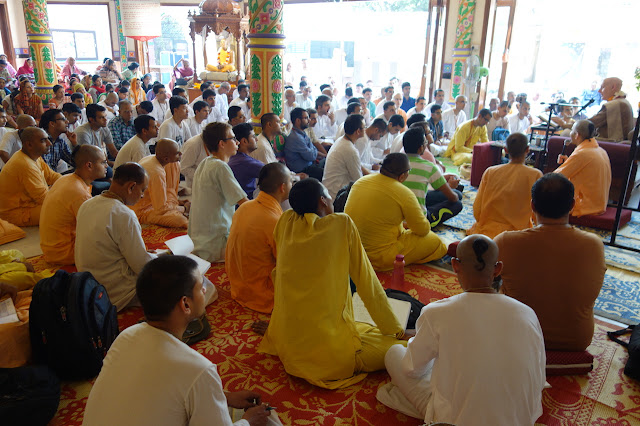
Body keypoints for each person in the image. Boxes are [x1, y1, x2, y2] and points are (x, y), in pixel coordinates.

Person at [82, 255, 274, 426]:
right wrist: (249, 421)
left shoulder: (125, 337)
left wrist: (225, 397)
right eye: (201, 287)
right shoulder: (199, 370)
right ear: (185, 304)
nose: (206, 290)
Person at [379, 234, 545, 426]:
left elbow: (411, 369)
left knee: (394, 353)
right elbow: (539, 380)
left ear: (454, 265)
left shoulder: (437, 312)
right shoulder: (527, 314)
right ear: (498, 269)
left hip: (453, 422)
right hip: (520, 420)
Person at [258, 178, 407, 389]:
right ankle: (396, 336)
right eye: (328, 195)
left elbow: (279, 275)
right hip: (329, 357)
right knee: (402, 347)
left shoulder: (286, 221)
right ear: (322, 201)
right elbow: (368, 284)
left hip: (288, 345)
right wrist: (395, 330)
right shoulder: (341, 224)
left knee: (364, 328)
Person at [495, 173, 605, 351]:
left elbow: (480, 281)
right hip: (576, 340)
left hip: (519, 336)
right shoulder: (593, 244)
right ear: (571, 205)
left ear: (532, 205)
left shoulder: (506, 241)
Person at [345, 153, 447, 270]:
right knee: (435, 241)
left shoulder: (361, 181)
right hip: (379, 257)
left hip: (352, 252)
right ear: (403, 175)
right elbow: (423, 230)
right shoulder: (404, 193)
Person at [75, 163, 153, 311]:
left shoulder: (87, 204)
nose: (142, 196)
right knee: (180, 278)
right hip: (117, 292)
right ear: (131, 187)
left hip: (89, 286)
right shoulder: (124, 214)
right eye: (142, 190)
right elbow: (141, 266)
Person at [226, 162, 292, 314]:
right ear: (282, 187)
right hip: (262, 294)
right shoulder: (274, 221)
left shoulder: (245, 207)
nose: (292, 185)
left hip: (238, 286)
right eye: (290, 181)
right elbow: (286, 264)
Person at [188, 122, 248, 262]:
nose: (237, 141)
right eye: (233, 138)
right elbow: (243, 202)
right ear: (222, 144)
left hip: (198, 243)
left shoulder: (205, 162)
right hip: (216, 245)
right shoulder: (220, 167)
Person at [40, 145, 107, 265]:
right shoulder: (79, 193)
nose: (106, 166)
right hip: (64, 253)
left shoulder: (66, 178)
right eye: (103, 162)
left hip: (50, 249)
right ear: (89, 165)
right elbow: (95, 231)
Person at [468, 133, 542, 238]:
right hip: (517, 235)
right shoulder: (536, 175)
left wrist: (482, 223)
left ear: (505, 150)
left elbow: (477, 208)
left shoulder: (491, 171)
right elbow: (538, 213)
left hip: (488, 232)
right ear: (527, 150)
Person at [402, 127, 462, 226]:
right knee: (457, 201)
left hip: (396, 216)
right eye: (425, 142)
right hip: (417, 221)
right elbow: (452, 197)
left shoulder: (396, 163)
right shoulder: (428, 166)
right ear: (421, 148)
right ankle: (428, 218)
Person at [0, 127, 60, 226]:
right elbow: (43, 198)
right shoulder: (24, 164)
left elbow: (51, 176)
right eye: (43, 140)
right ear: (29, 144)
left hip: (30, 205)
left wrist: (70, 183)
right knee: (63, 208)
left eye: (48, 139)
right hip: (15, 213)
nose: (49, 143)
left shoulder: (34, 156)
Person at [556, 119, 611, 217]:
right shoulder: (601, 151)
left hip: (584, 205)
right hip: (599, 203)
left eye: (572, 130)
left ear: (577, 135)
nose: (570, 133)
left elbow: (556, 177)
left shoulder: (583, 153)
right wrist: (568, 162)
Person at [132, 139, 188, 228]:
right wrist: (182, 208)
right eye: (177, 153)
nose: (180, 154)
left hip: (154, 199)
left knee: (174, 164)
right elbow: (160, 209)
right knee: (180, 221)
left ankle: (174, 202)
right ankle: (178, 206)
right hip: (142, 209)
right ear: (166, 158)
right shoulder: (157, 172)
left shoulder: (152, 158)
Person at [323, 114, 367, 199]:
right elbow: (358, 180)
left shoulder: (342, 140)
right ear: (358, 131)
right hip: (336, 195)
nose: (366, 129)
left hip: (329, 190)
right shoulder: (350, 149)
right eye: (364, 127)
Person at [588, 77, 634, 141]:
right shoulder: (623, 101)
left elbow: (589, 123)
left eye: (602, 87)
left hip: (612, 144)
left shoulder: (614, 105)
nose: (599, 91)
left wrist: (572, 125)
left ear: (613, 87)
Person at [284, 107, 324, 180]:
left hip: (309, 165)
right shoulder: (295, 137)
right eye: (306, 118)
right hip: (302, 170)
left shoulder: (302, 133)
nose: (309, 120)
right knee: (325, 173)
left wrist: (312, 150)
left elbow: (313, 148)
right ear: (298, 121)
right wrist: (312, 150)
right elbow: (311, 156)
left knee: (327, 164)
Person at [228, 123, 264, 199]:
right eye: (253, 136)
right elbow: (273, 172)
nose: (257, 139)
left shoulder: (233, 157)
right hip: (243, 206)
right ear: (244, 141)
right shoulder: (245, 162)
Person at [39, 109, 75, 173]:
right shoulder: (41, 140)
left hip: (54, 178)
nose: (67, 121)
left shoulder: (60, 141)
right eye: (63, 119)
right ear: (52, 123)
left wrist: (74, 143)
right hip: (43, 180)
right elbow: (46, 172)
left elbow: (75, 162)